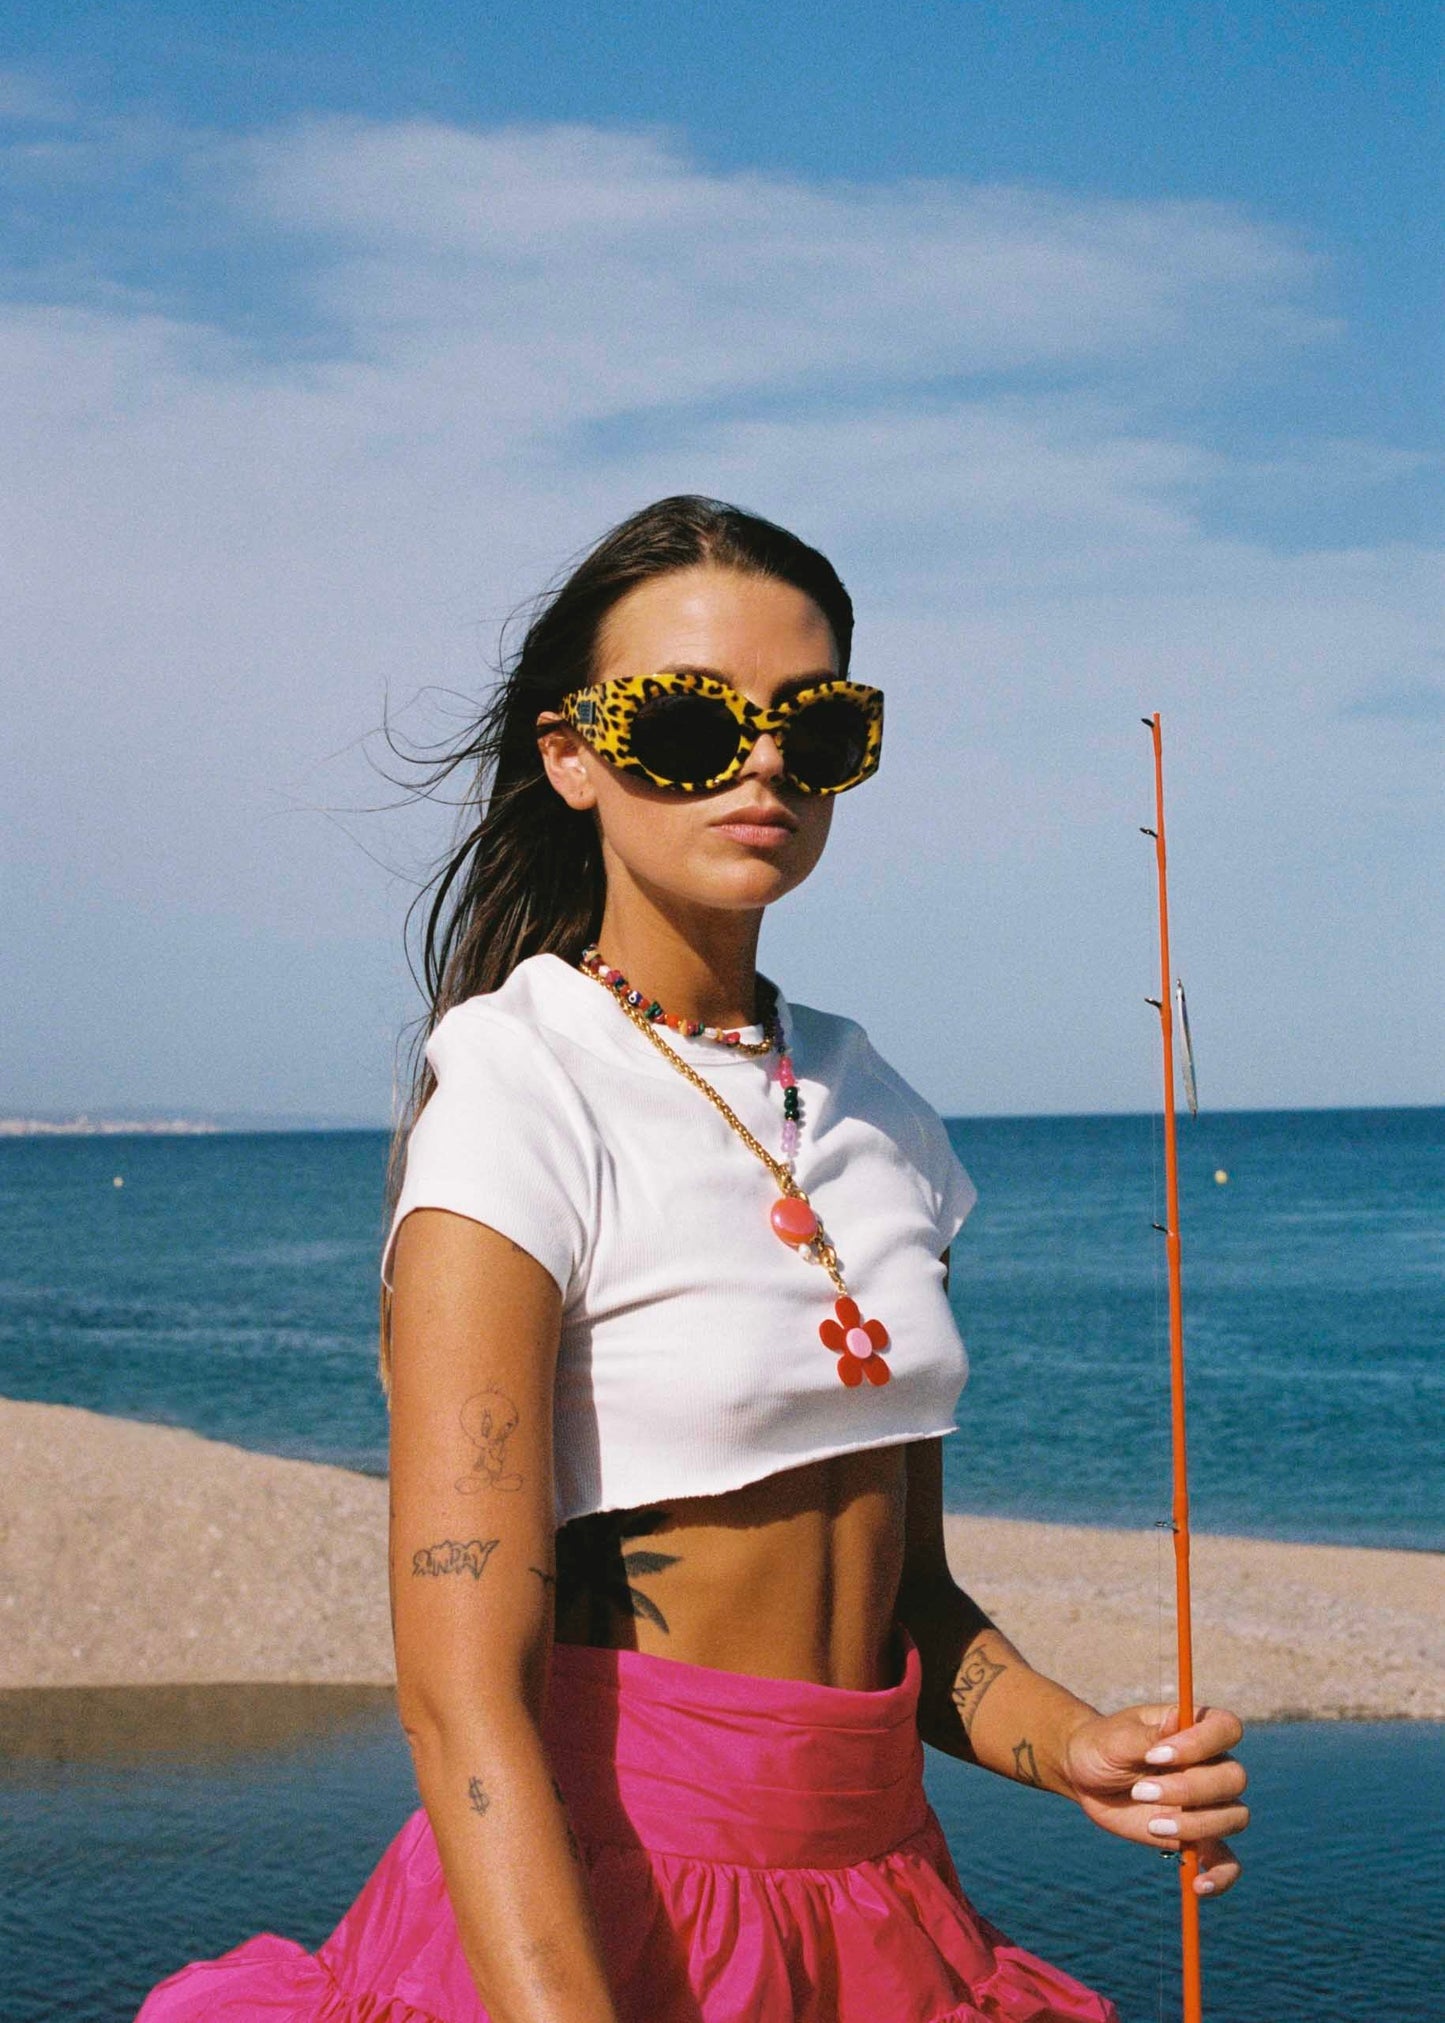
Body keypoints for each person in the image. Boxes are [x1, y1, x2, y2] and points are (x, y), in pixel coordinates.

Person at [138, 495, 1248, 2023]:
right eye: (686, 723)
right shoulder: (521, 1089)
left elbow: (906, 1596)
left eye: (818, 724)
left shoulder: (878, 1108)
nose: (763, 763)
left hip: (880, 1909)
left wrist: (1072, 1746)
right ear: (571, 755)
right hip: (605, 1917)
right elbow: (462, 1702)